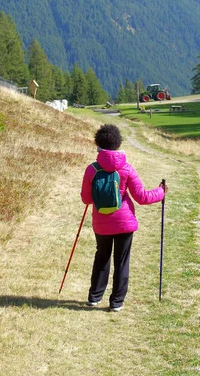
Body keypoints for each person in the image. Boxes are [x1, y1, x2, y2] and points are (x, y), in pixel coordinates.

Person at [80, 124, 167, 312]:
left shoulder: (91, 169)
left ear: (98, 144)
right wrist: (161, 192)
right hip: (124, 223)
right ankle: (117, 302)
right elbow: (142, 197)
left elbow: (86, 199)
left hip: (101, 223)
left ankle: (94, 297)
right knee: (122, 261)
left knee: (101, 257)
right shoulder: (126, 169)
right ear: (118, 143)